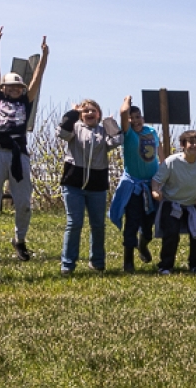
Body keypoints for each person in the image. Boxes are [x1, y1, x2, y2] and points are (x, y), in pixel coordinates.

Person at [0, 26, 47, 267]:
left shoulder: (25, 103)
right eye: (11, 87)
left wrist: (44, 57)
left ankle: (20, 240)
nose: (15, 90)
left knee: (24, 203)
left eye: (18, 87)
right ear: (3, 88)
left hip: (19, 155)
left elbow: (36, 81)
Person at [56, 100, 122, 274]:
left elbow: (117, 141)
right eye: (85, 111)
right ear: (80, 115)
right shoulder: (75, 128)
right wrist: (71, 114)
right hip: (73, 184)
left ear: (98, 114)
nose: (89, 113)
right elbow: (62, 133)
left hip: (97, 185)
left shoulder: (103, 131)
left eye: (93, 110)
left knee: (98, 225)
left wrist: (110, 123)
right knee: (74, 223)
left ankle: (97, 262)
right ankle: (68, 264)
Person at [109, 95, 160, 273]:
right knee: (132, 223)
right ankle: (128, 261)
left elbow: (160, 154)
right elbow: (123, 112)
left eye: (138, 117)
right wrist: (127, 101)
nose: (135, 120)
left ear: (143, 118)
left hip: (152, 186)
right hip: (134, 188)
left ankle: (143, 244)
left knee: (148, 226)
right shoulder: (128, 134)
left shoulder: (152, 132)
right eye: (132, 118)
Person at [151, 131, 196, 275]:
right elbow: (156, 180)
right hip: (172, 203)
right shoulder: (171, 161)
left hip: (194, 204)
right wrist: (155, 191)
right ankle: (165, 266)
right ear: (183, 145)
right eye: (191, 142)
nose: (195, 146)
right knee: (171, 233)